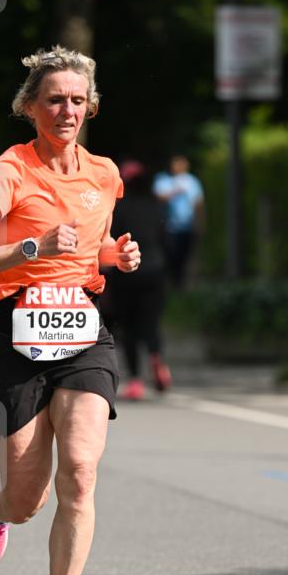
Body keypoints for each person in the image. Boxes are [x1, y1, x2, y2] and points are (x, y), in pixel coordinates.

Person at [0, 45, 141, 575]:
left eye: (78, 100)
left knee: (80, 474)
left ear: (91, 107)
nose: (67, 110)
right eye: (54, 99)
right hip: (17, 340)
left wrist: (114, 255)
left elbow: (93, 245)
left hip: (83, 335)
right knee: (27, 499)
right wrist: (29, 248)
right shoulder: (8, 172)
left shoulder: (103, 173)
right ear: (30, 106)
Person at [110, 160, 172, 400]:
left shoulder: (120, 208)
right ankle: (156, 357)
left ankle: (136, 380)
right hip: (155, 270)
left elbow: (111, 240)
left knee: (129, 327)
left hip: (126, 273)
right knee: (152, 323)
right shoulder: (156, 206)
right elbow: (167, 239)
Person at [152, 154, 204, 288]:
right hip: (168, 228)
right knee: (170, 258)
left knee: (185, 259)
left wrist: (200, 223)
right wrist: (176, 191)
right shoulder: (163, 179)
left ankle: (181, 289)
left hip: (187, 227)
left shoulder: (193, 181)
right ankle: (170, 287)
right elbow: (158, 197)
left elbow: (198, 204)